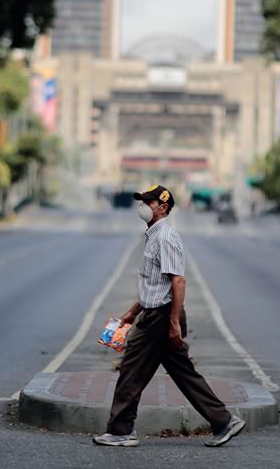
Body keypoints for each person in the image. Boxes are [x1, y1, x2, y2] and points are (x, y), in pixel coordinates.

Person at [93, 184, 246, 448]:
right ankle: (224, 421)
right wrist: (131, 313)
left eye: (147, 203)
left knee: (131, 371)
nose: (142, 206)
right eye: (141, 201)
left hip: (161, 318)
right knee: (183, 373)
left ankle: (120, 431)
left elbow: (178, 281)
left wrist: (173, 322)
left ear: (163, 208)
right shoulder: (153, 234)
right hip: (155, 314)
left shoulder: (165, 236)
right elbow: (155, 284)